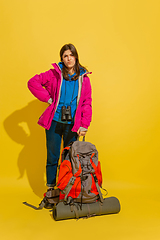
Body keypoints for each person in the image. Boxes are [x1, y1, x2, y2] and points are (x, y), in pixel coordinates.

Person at [28, 43, 92, 191]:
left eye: (71, 55)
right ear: (62, 59)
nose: (69, 59)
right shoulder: (53, 74)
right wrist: (48, 99)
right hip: (54, 122)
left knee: (69, 159)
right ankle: (51, 190)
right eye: (65, 56)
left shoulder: (84, 79)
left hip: (73, 125)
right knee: (52, 157)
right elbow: (33, 82)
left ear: (76, 57)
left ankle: (66, 189)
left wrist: (84, 125)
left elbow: (87, 103)